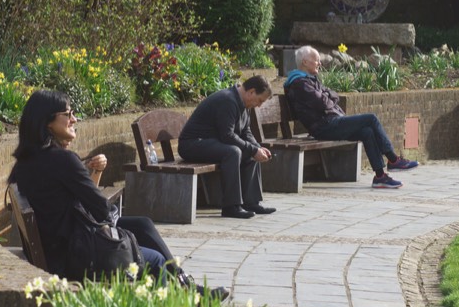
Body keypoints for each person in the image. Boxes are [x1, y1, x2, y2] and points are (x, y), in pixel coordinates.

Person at [8, 90, 227, 297]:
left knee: (142, 225)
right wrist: (110, 219)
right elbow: (100, 209)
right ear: (47, 122)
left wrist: (95, 174)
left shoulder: (24, 164)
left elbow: (77, 203)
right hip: (76, 255)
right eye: (67, 114)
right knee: (156, 259)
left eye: (73, 113)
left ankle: (185, 284)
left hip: (59, 246)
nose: (74, 119)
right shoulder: (63, 160)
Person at [284, 46, 418, 189]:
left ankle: (380, 177)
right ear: (305, 62)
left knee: (367, 131)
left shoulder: (310, 80)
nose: (319, 63)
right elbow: (323, 103)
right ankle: (393, 159)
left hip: (330, 122)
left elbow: (332, 95)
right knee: (371, 118)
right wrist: (327, 97)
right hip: (324, 126)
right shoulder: (300, 84)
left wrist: (327, 96)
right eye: (316, 60)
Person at [179, 75, 275, 219]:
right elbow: (227, 136)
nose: (259, 105)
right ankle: (231, 207)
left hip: (211, 143)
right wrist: (253, 150)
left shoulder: (244, 103)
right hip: (193, 144)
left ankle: (250, 202)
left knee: (247, 151)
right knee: (233, 152)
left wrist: (257, 148)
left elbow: (245, 131)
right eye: (260, 100)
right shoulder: (227, 100)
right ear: (251, 92)